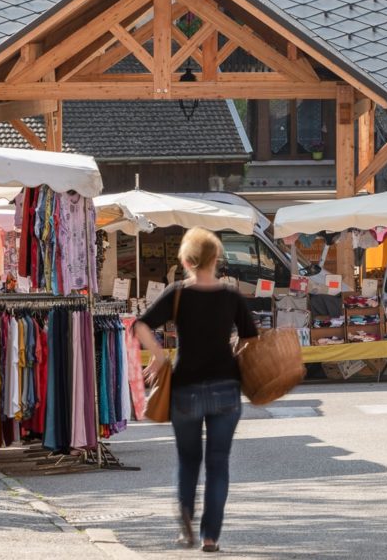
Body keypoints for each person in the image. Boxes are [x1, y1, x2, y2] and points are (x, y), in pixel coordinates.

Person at [134, 227, 258, 553]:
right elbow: (250, 338)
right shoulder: (231, 296)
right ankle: (211, 536)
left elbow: (140, 325)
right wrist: (232, 350)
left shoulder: (178, 293)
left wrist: (160, 357)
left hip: (185, 387)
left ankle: (186, 517)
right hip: (226, 388)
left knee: (188, 460)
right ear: (216, 258)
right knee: (219, 463)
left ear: (186, 261)